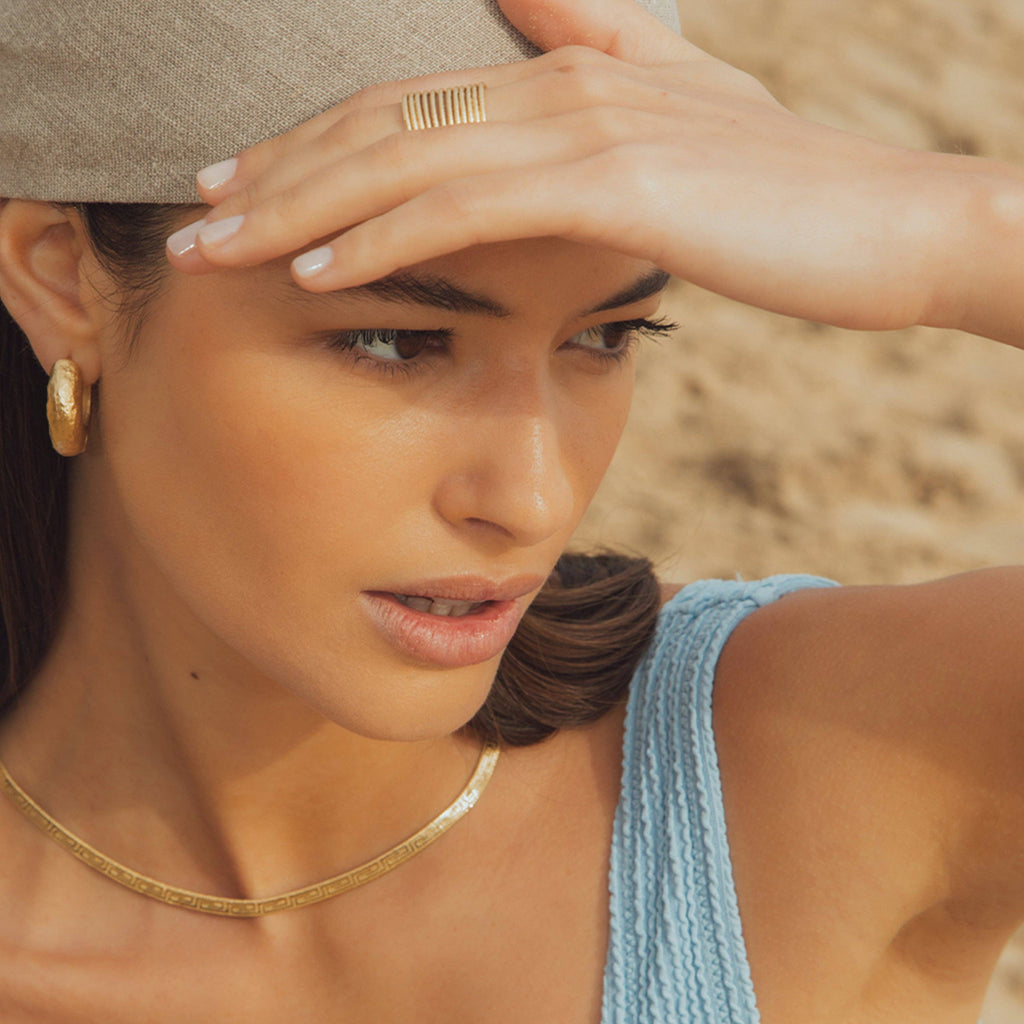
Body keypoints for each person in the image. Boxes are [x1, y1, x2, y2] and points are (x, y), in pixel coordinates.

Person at [0, 0, 1022, 1021]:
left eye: (607, 336)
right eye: (396, 341)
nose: (531, 499)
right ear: (60, 277)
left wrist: (964, 231)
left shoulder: (822, 771)